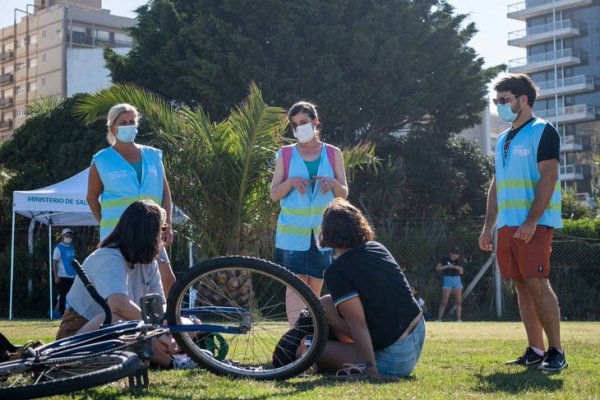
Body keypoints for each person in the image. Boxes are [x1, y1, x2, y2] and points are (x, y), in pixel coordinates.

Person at [479, 73, 566, 371]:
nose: (499, 106)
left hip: (534, 225)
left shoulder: (544, 131)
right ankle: (535, 349)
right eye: (495, 101)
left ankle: (556, 352)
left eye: (503, 100)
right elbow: (497, 183)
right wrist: (488, 226)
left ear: (523, 100)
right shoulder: (503, 138)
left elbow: (549, 176)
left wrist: (531, 221)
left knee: (537, 282)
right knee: (520, 285)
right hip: (507, 225)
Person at [55, 201, 193, 369]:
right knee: (121, 322)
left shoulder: (148, 261)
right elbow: (119, 305)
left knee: (186, 324)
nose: (163, 236)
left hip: (132, 326)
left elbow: (159, 306)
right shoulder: (108, 257)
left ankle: (163, 353)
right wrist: (158, 333)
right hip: (77, 335)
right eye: (161, 229)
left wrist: (165, 330)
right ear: (147, 233)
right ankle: (172, 362)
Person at [316, 198, 425, 379]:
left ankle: (366, 359)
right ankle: (359, 351)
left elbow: (358, 323)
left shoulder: (336, 272)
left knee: (306, 348)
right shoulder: (377, 248)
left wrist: (371, 368)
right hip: (417, 335)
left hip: (396, 358)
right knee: (326, 303)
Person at [270, 101, 348, 325]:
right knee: (295, 285)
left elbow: (344, 192)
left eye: (303, 122)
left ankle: (311, 337)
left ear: (316, 122)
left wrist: (332, 182)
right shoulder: (285, 154)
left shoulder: (333, 153)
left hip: (324, 233)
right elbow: (274, 194)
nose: (299, 128)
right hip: (291, 234)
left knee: (315, 286)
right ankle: (295, 338)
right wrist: (292, 181)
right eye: (294, 125)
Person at [86, 103, 176, 296]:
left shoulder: (153, 155)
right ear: (113, 127)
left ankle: (169, 320)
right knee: (123, 285)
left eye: (132, 122)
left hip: (151, 231)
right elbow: (92, 198)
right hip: (118, 235)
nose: (128, 126)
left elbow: (165, 194)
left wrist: (167, 224)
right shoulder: (102, 160)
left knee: (167, 280)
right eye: (123, 122)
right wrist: (107, 226)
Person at [435, 247, 464, 322]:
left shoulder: (459, 261)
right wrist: (447, 266)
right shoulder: (444, 259)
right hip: (447, 279)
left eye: (456, 254)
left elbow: (461, 272)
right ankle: (439, 319)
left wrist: (454, 267)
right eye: (453, 253)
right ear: (450, 253)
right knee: (444, 301)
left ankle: (459, 319)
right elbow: (438, 268)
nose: (454, 255)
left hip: (457, 280)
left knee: (458, 301)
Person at [52, 228, 76, 316]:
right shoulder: (58, 248)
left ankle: (71, 314)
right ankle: (62, 314)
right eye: (67, 236)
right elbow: (54, 263)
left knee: (72, 295)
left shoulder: (71, 246)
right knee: (62, 296)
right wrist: (56, 276)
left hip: (72, 275)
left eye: (70, 236)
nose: (69, 238)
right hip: (62, 275)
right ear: (62, 237)